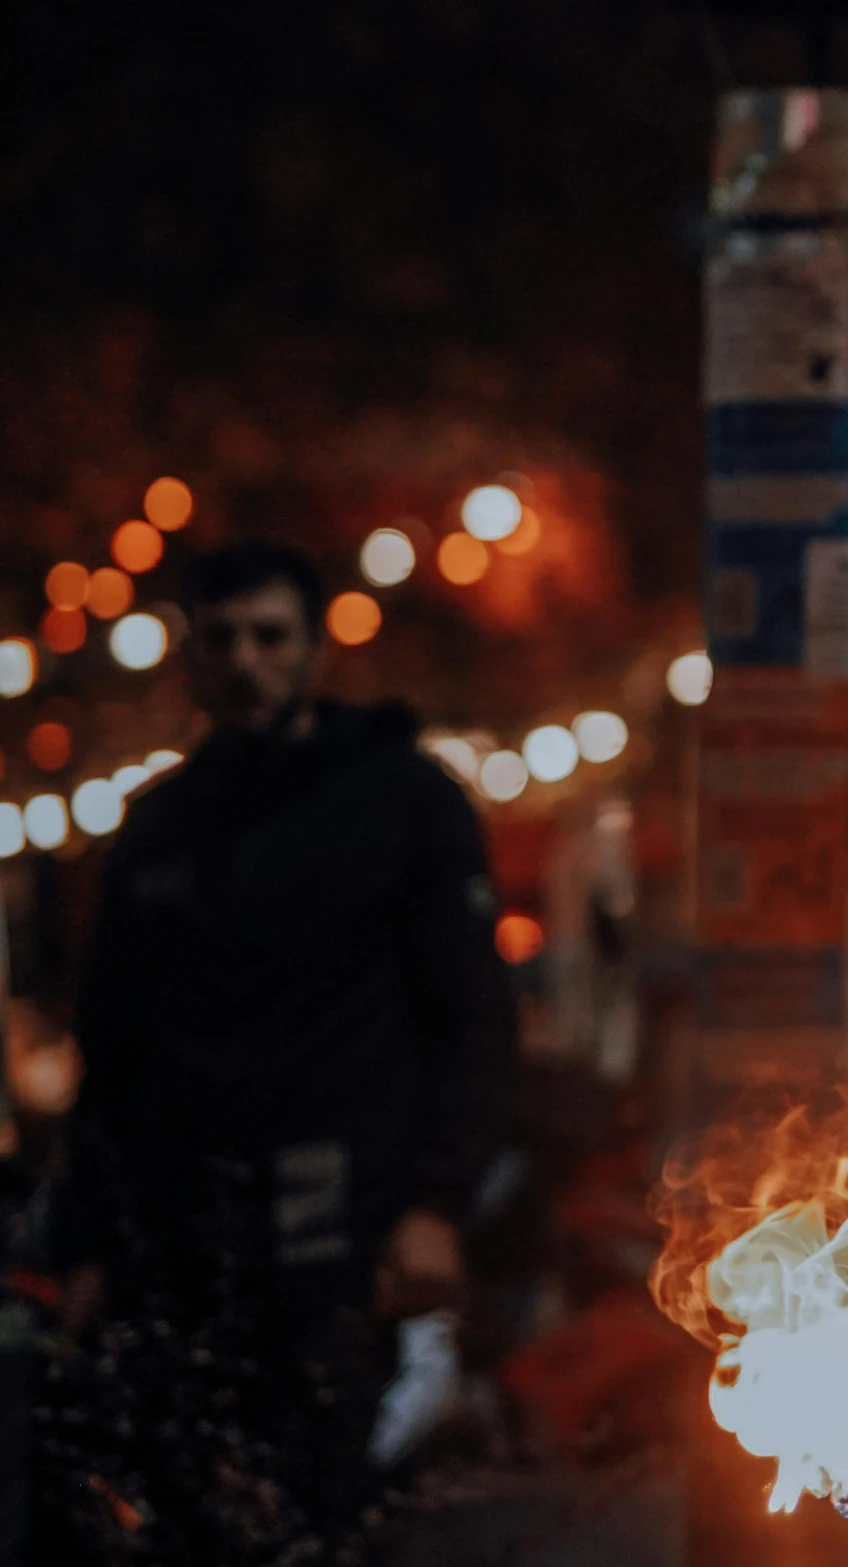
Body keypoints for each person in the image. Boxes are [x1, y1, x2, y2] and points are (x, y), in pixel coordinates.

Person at [42, 540, 517, 1560]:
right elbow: (112, 1050)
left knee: (316, 1508)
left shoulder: (403, 804)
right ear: (191, 657)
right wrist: (83, 1243)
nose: (246, 661)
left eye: (269, 636)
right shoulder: (160, 828)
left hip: (338, 1239)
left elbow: (473, 1019)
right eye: (221, 640)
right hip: (180, 1253)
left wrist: (436, 1203)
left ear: (313, 650)